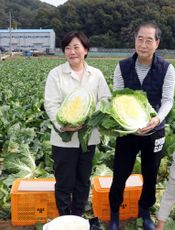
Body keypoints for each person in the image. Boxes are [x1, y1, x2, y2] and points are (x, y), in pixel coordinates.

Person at [108, 21, 175, 230]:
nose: (143, 44)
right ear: (135, 40)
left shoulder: (167, 68)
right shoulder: (122, 67)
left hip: (154, 131)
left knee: (151, 173)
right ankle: (114, 216)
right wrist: (129, 125)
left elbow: (167, 100)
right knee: (120, 173)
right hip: (128, 131)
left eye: (149, 40)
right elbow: (117, 99)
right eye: (140, 39)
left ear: (157, 43)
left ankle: (145, 212)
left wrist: (156, 119)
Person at [44, 31, 111, 216]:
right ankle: (65, 218)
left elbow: (105, 99)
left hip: (88, 138)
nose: (72, 52)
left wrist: (90, 116)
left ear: (85, 50)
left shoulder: (96, 74)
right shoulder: (55, 74)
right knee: (65, 182)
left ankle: (78, 217)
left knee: (83, 181)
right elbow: (51, 104)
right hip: (63, 139)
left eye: (76, 47)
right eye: (67, 48)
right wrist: (62, 125)